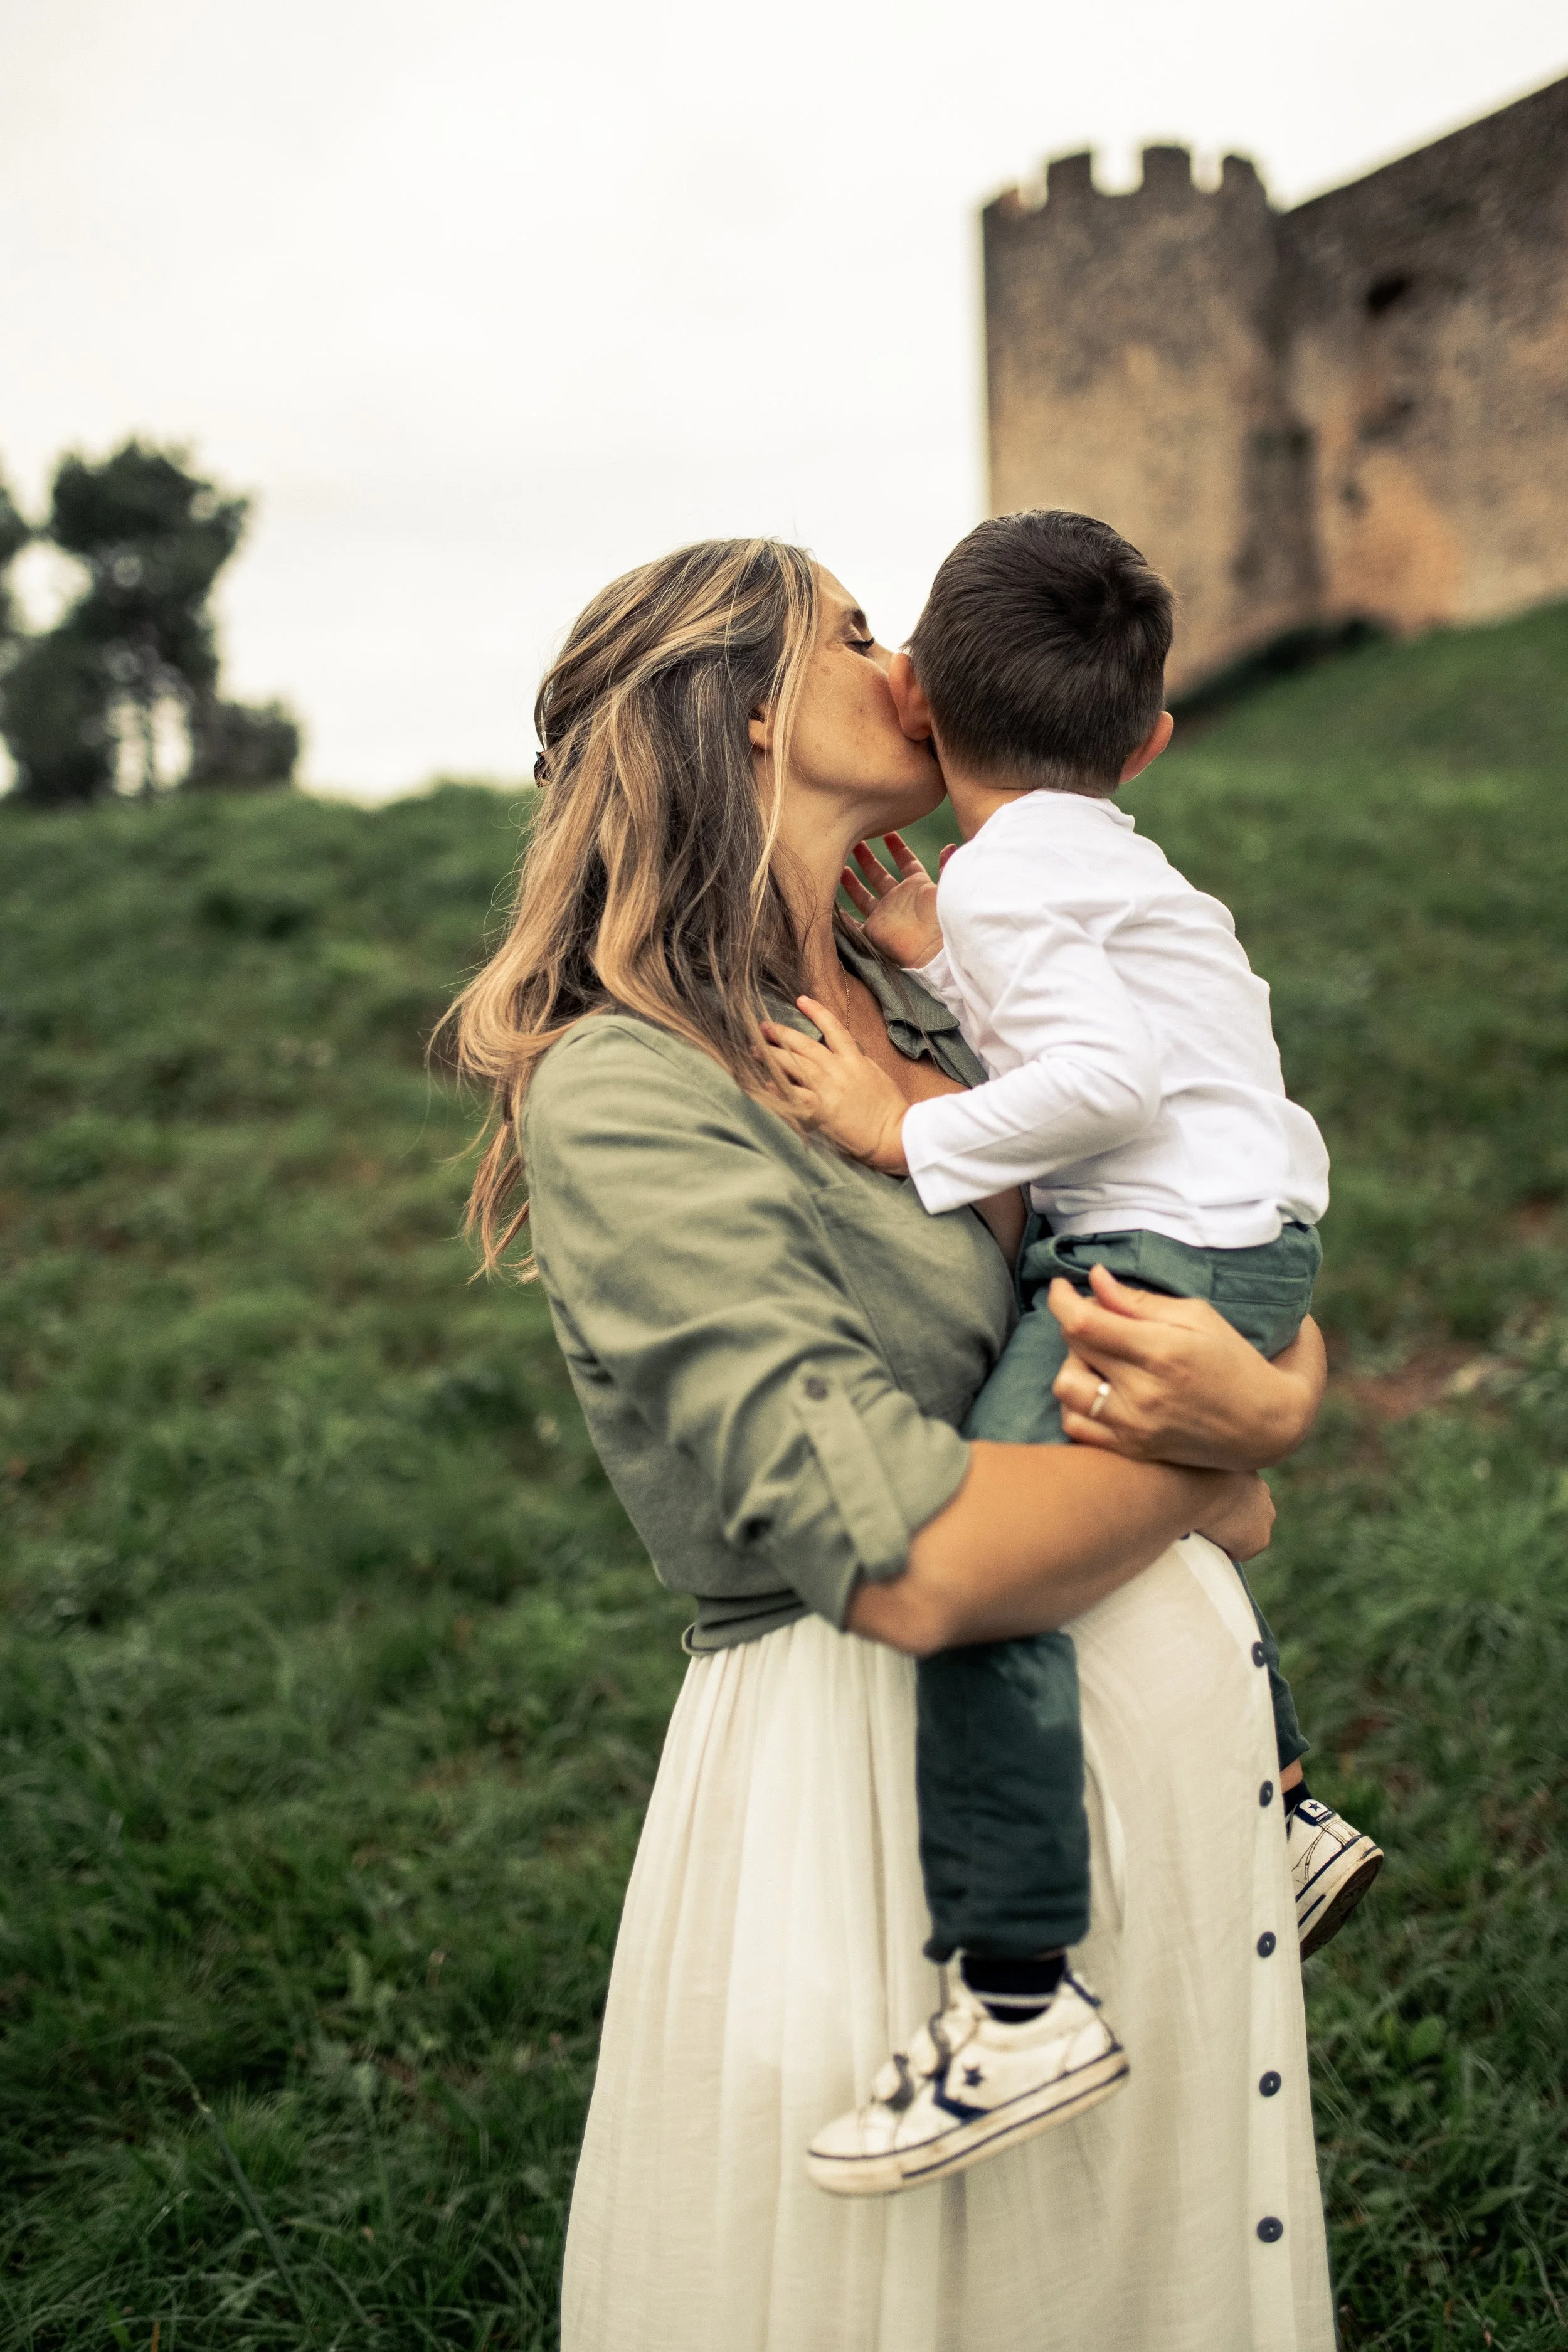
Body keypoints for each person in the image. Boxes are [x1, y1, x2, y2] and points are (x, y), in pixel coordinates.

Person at [450, 536, 1338, 2350]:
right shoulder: (630, 1082)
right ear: (754, 709)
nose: (910, 653)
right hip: (879, 1814)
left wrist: (1281, 1386)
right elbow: (907, 1556)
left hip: (1150, 1799)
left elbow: (1196, 1223)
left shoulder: (927, 993)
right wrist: (1226, 1463)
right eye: (858, 629)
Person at [761, 509, 1382, 2197]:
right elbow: (1091, 1025)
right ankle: (1281, 1802)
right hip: (1246, 1238)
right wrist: (940, 966)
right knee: (1123, 1508)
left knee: (997, 1562)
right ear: (1151, 738)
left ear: (918, 701)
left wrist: (899, 1123)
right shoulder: (1095, 854)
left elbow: (1095, 1082)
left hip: (1153, 1248)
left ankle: (1017, 1988)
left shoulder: (1011, 867)